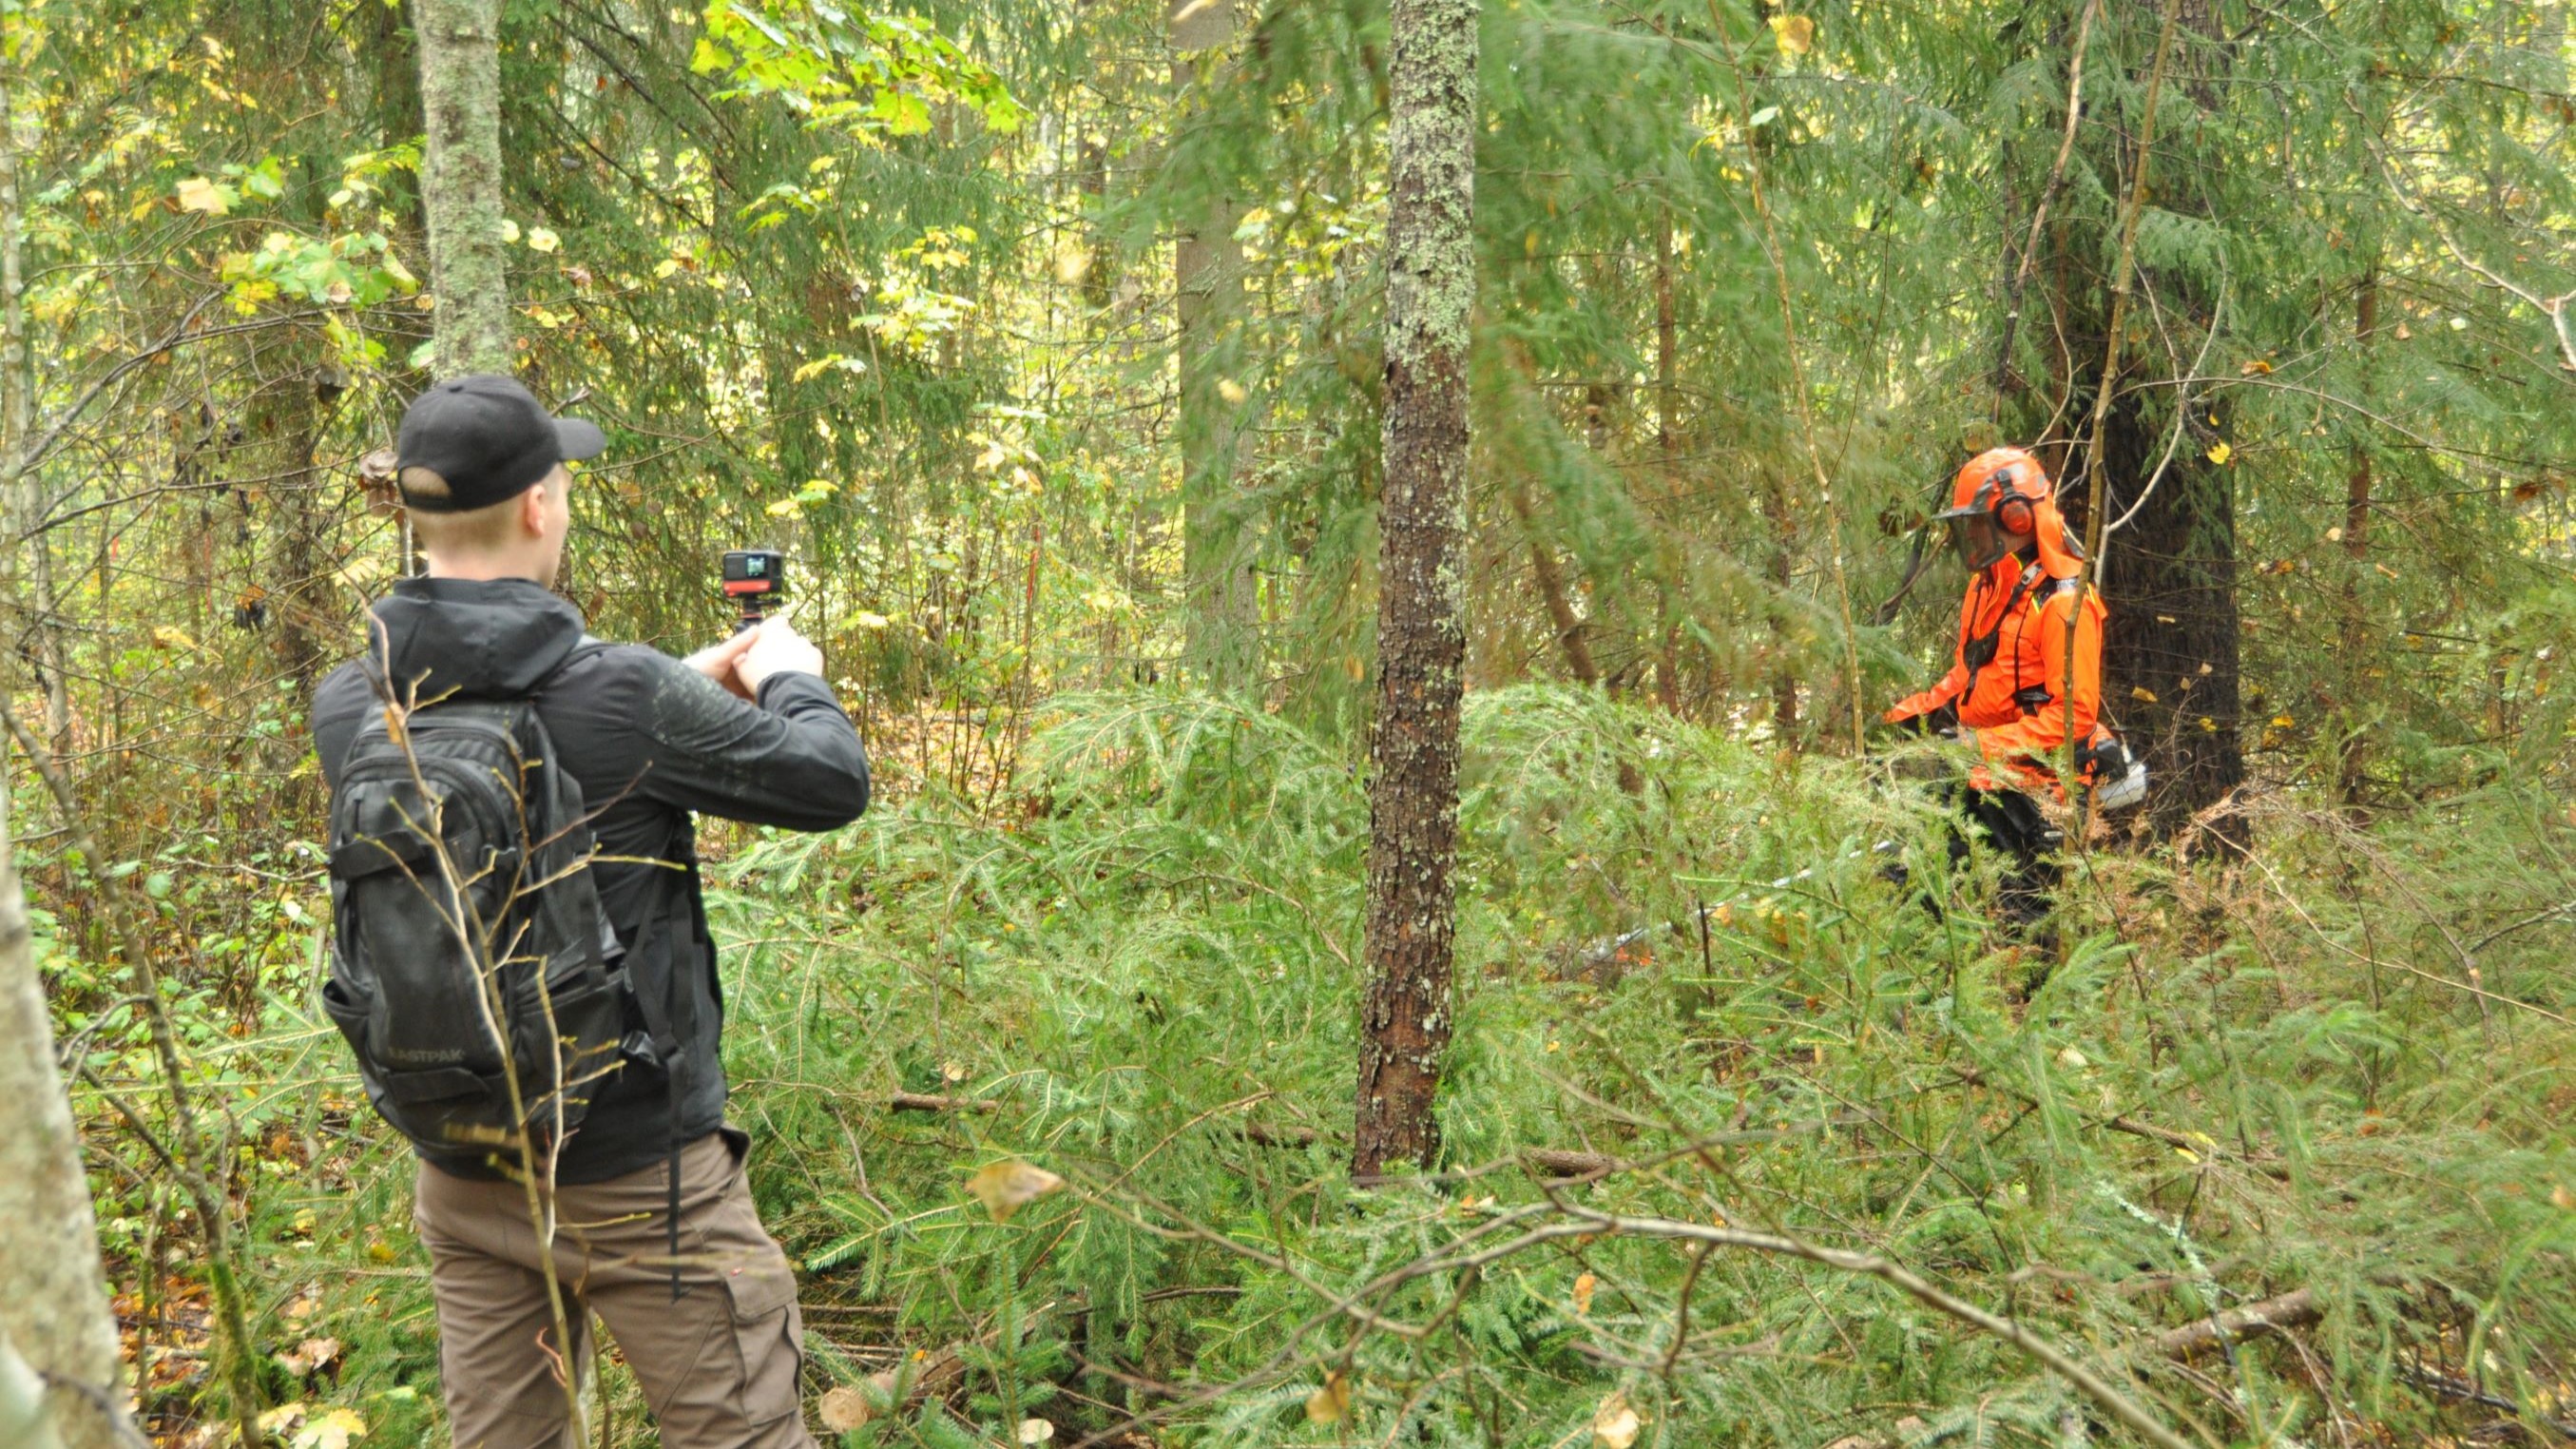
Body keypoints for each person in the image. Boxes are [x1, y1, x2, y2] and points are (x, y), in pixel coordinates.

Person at [312, 375, 868, 1449]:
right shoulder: (624, 694)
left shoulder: (350, 702)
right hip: (640, 1176)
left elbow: (535, 733)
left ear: (415, 515)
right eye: (560, 482)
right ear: (536, 507)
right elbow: (829, 781)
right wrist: (790, 676)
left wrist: (680, 691)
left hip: (462, 1165)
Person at [1884, 446, 2130, 930]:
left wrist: (1979, 746)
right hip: (1986, 773)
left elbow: (2074, 718)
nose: (1970, 536)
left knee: (2014, 922)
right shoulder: (1988, 585)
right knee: (1911, 874)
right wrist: (1907, 720)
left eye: (1977, 523)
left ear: (2017, 517)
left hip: (2040, 789)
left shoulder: (2064, 603)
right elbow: (1968, 676)